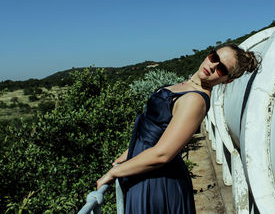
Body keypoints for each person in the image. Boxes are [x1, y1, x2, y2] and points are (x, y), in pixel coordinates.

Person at [96, 44, 260, 213]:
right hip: (144, 170)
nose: (212, 66)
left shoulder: (195, 101)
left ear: (228, 80)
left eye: (221, 69)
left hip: (157, 183)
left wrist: (113, 173)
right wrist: (126, 156)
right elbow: (152, 132)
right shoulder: (187, 86)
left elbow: (162, 154)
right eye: (214, 57)